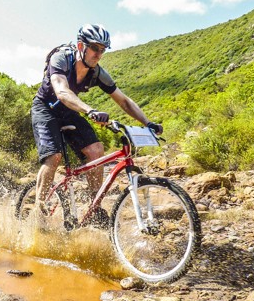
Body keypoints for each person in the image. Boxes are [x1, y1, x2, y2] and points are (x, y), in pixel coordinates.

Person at [31, 23, 163, 226]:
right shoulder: (61, 59)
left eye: (103, 49)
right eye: (95, 48)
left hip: (69, 111)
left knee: (96, 150)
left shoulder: (97, 73)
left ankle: (94, 207)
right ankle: (38, 214)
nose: (99, 54)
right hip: (46, 108)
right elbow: (62, 91)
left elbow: (124, 100)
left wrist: (148, 122)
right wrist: (90, 110)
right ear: (81, 46)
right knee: (54, 155)